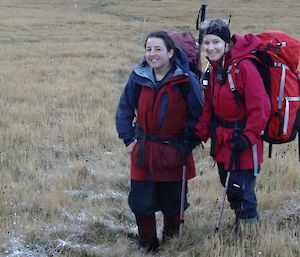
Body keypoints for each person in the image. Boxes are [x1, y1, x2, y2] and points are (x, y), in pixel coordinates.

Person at [115, 31, 203, 252]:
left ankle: (171, 242)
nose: (152, 54)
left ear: (170, 52)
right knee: (140, 201)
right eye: (148, 49)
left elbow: (199, 115)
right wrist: (128, 140)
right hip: (143, 149)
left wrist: (187, 143)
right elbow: (124, 109)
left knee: (173, 202)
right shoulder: (138, 76)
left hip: (175, 151)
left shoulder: (185, 80)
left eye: (158, 49)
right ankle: (147, 243)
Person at [195, 20, 271, 228]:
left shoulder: (243, 67)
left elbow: (261, 107)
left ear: (227, 43)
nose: (211, 47)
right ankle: (241, 222)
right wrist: (197, 134)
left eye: (216, 42)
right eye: (207, 43)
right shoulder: (213, 69)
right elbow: (208, 108)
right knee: (229, 186)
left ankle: (248, 234)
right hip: (223, 142)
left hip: (244, 141)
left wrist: (248, 137)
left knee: (241, 188)